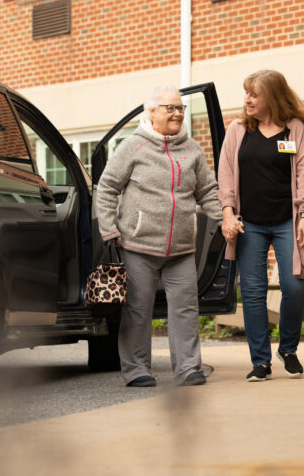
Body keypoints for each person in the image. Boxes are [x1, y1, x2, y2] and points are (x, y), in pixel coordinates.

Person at [95, 84, 223, 387]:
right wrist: (108, 228)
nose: (177, 113)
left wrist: (225, 219)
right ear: (151, 112)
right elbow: (107, 188)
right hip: (138, 244)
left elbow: (207, 190)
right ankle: (137, 368)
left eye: (181, 108)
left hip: (180, 248)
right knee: (138, 310)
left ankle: (189, 368)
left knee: (186, 309)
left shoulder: (192, 149)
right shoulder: (133, 146)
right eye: (170, 108)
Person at [218, 69, 304, 382]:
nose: (247, 99)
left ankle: (288, 348)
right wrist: (227, 213)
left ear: (272, 98)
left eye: (254, 94)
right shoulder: (237, 130)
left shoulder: (294, 129)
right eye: (246, 93)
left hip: (287, 221)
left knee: (295, 285)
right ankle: (260, 361)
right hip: (250, 225)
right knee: (252, 292)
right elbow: (225, 174)